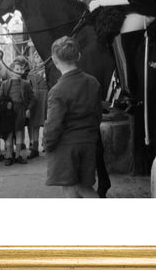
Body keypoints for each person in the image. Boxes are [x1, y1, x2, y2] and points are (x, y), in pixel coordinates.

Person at [44, 37, 102, 198]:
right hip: (89, 142)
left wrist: (47, 144)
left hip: (66, 147)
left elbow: (53, 125)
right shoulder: (93, 82)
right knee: (85, 187)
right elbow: (98, 115)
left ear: (55, 60)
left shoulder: (57, 90)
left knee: (70, 189)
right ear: (78, 56)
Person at [0, 56, 35, 166]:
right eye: (17, 69)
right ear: (11, 70)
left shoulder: (26, 83)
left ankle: (17, 156)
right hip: (8, 112)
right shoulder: (5, 84)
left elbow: (32, 98)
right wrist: (3, 105)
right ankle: (9, 155)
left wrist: (28, 109)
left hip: (20, 110)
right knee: (8, 133)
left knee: (19, 133)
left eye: (21, 69)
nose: (20, 71)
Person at [27, 51, 48, 159]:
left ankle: (46, 144)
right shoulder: (31, 73)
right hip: (35, 99)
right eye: (36, 56)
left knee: (46, 123)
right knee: (34, 124)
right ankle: (34, 148)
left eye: (40, 56)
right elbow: (28, 88)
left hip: (46, 98)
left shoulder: (48, 70)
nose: (38, 58)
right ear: (33, 59)